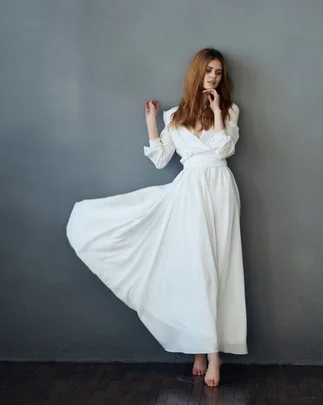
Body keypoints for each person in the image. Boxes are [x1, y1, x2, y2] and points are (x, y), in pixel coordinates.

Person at [66, 48, 247, 387]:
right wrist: (151, 121)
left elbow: (224, 148)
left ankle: (208, 354)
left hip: (220, 190)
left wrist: (218, 110)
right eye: (208, 71)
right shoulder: (175, 115)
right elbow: (161, 160)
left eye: (219, 72)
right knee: (197, 270)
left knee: (218, 267)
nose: (213, 77)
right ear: (196, 73)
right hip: (189, 193)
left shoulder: (230, 109)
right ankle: (205, 352)